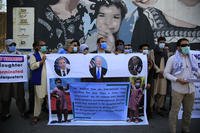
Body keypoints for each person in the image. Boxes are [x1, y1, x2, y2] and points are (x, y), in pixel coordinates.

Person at [164, 38, 200, 133]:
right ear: (178, 47)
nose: (186, 47)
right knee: (174, 112)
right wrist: (177, 79)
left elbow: (196, 71)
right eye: (184, 45)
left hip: (190, 89)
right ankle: (173, 130)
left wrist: (198, 75)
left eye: (188, 45)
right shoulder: (172, 59)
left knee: (188, 112)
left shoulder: (192, 58)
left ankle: (185, 129)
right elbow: (166, 73)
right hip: (178, 90)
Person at [0, 39, 28, 121]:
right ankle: (5, 114)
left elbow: (26, 62)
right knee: (5, 98)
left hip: (17, 80)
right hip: (6, 81)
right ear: (6, 46)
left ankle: (23, 112)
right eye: (11, 45)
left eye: (14, 45)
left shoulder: (19, 54)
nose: (13, 46)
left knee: (20, 97)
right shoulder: (2, 55)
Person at [138, 43, 160, 118]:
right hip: (138, 82)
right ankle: (138, 112)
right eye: (144, 49)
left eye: (147, 49)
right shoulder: (137, 58)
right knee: (138, 97)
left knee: (148, 98)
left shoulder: (150, 61)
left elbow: (151, 73)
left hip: (148, 83)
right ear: (140, 50)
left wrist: (149, 83)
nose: (146, 50)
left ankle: (147, 113)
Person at [30, 40, 47, 124]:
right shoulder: (34, 56)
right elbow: (32, 66)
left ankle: (52, 112)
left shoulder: (48, 55)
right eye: (42, 45)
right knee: (39, 98)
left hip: (48, 80)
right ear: (37, 47)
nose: (44, 46)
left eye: (45, 45)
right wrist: (41, 62)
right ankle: (36, 115)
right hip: (40, 80)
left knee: (50, 96)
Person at [153, 36, 168, 116]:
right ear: (158, 43)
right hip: (156, 74)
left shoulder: (165, 51)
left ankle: (159, 107)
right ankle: (151, 107)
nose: (162, 43)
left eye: (163, 42)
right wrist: (159, 71)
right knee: (154, 91)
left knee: (162, 92)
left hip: (164, 75)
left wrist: (164, 72)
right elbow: (153, 62)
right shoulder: (154, 51)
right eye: (161, 42)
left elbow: (168, 63)